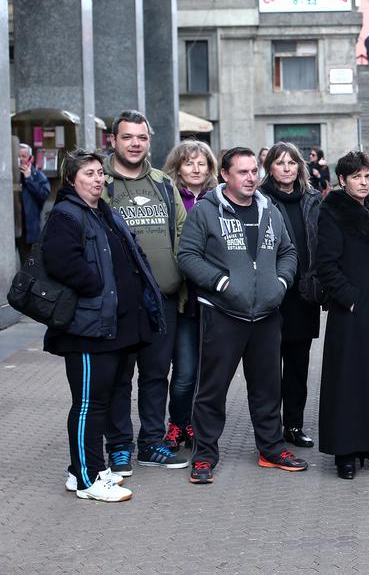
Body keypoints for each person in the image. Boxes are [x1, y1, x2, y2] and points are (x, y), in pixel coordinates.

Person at [178, 147, 306, 484]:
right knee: (211, 389)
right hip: (222, 313)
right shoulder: (206, 212)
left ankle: (271, 449)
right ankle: (204, 456)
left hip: (266, 315)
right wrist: (220, 282)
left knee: (267, 389)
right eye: (243, 172)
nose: (251, 178)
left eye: (254, 172)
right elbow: (188, 256)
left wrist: (280, 282)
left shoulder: (270, 210)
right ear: (225, 175)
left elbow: (288, 251)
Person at [43, 150, 165, 502]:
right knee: (88, 405)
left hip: (113, 326)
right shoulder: (67, 214)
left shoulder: (102, 211)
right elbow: (61, 261)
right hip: (85, 328)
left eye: (100, 173)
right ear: (71, 180)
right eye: (89, 174)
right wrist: (98, 284)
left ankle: (81, 469)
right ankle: (87, 479)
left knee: (105, 399)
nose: (98, 179)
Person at [103, 110, 188, 473]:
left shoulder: (163, 184)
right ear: (113, 140)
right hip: (120, 305)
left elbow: (183, 234)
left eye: (141, 137)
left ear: (149, 141)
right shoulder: (99, 182)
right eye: (127, 137)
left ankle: (152, 443)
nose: (135, 143)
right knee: (119, 378)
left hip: (162, 301)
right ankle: (119, 446)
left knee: (156, 376)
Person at [317, 152, 369, 479]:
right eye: (357, 177)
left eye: (368, 176)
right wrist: (350, 300)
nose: (364, 182)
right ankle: (345, 453)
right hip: (350, 312)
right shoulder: (333, 211)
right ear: (342, 180)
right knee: (348, 382)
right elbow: (326, 263)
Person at [259, 143, 324, 450]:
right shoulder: (259, 199)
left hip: (304, 294)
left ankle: (294, 425)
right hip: (272, 293)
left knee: (298, 366)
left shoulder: (313, 199)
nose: (286, 168)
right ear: (269, 167)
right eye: (280, 163)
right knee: (269, 367)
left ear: (300, 167)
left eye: (292, 162)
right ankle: (270, 428)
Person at [160, 139, 219, 452]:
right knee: (183, 372)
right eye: (189, 163)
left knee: (207, 372)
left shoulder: (220, 198)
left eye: (201, 163)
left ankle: (196, 424)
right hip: (182, 298)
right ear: (178, 167)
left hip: (214, 299)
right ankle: (176, 423)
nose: (195, 169)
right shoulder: (168, 197)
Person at [16, 144, 51, 265]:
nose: (21, 159)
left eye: (24, 156)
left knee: (29, 266)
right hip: (12, 228)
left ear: (30, 158)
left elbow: (44, 194)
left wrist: (29, 179)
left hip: (29, 229)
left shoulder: (37, 176)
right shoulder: (10, 177)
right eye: (18, 156)